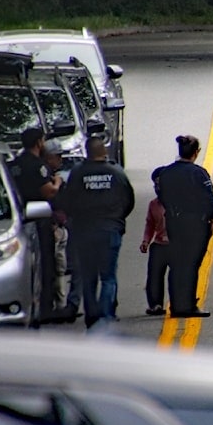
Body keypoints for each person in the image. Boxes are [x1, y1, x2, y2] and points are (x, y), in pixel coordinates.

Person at [64, 136, 135, 329]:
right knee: (108, 276)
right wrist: (117, 220)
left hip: (84, 230)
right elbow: (128, 199)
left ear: (87, 152)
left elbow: (67, 200)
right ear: (103, 151)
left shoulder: (77, 173)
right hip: (109, 229)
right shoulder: (115, 172)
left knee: (89, 276)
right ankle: (106, 315)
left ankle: (91, 315)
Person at [158, 136, 213, 318]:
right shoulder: (198, 173)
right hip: (195, 224)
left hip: (174, 222)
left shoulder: (166, 173)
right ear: (196, 152)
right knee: (191, 265)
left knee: (177, 264)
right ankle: (189, 304)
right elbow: (210, 198)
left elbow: (162, 195)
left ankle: (176, 304)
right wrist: (212, 219)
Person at [9, 127, 63, 323]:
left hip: (17, 221)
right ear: (39, 143)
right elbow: (49, 192)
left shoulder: (14, 165)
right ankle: (45, 308)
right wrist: (57, 182)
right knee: (45, 265)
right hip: (38, 221)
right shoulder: (37, 166)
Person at [42, 139, 73, 319]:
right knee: (54, 267)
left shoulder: (58, 177)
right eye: (57, 156)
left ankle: (60, 305)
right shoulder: (47, 179)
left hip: (60, 227)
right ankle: (52, 306)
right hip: (50, 228)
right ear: (49, 157)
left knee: (61, 267)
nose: (60, 160)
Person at [140, 166, 170, 316]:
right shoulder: (153, 205)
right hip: (159, 244)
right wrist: (146, 240)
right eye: (155, 184)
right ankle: (155, 305)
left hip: (176, 245)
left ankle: (180, 302)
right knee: (154, 276)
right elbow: (150, 224)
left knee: (178, 276)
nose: (158, 188)